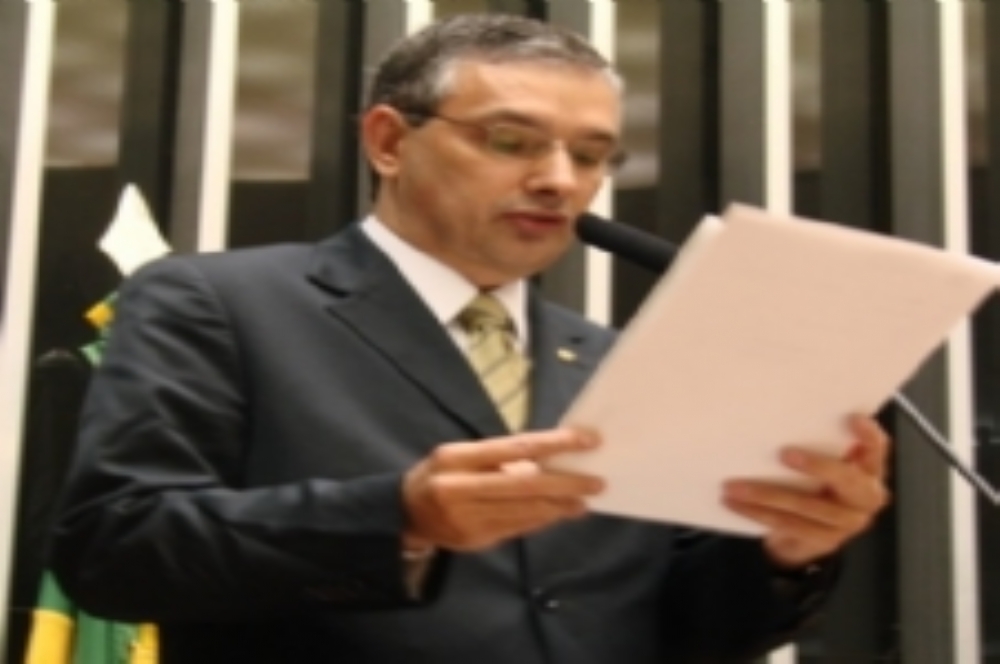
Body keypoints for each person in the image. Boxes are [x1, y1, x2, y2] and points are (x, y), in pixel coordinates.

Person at [51, 13, 890, 664]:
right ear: (389, 141)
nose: (558, 180)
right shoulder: (220, 303)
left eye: (591, 156)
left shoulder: (614, 362)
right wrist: (398, 518)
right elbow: (116, 549)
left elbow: (679, 630)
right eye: (510, 141)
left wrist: (786, 552)